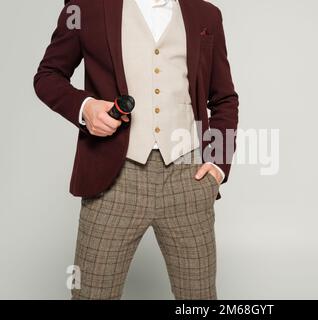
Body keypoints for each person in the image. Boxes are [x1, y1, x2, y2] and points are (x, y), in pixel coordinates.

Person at [34, 0, 239, 300]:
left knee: (200, 301)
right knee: (91, 296)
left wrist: (219, 165)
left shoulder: (207, 14)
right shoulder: (85, 8)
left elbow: (224, 99)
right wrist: (85, 107)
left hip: (188, 178)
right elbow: (48, 75)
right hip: (112, 180)